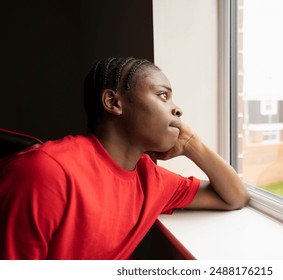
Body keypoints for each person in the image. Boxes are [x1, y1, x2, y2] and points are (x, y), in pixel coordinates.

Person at [0, 57, 250, 259]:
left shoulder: (152, 180)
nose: (178, 109)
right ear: (113, 102)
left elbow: (235, 196)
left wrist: (191, 144)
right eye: (163, 95)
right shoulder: (45, 172)